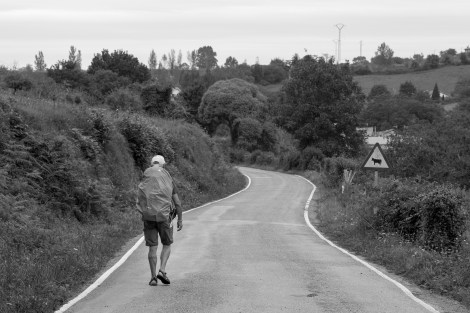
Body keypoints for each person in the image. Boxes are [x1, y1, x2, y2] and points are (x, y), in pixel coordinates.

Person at [136, 155, 183, 286]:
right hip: (164, 217)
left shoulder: (147, 178)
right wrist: (180, 219)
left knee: (152, 248)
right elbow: (177, 203)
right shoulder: (168, 180)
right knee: (167, 244)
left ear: (152, 164)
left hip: (149, 217)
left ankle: (152, 277)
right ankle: (162, 270)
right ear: (163, 165)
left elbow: (140, 198)